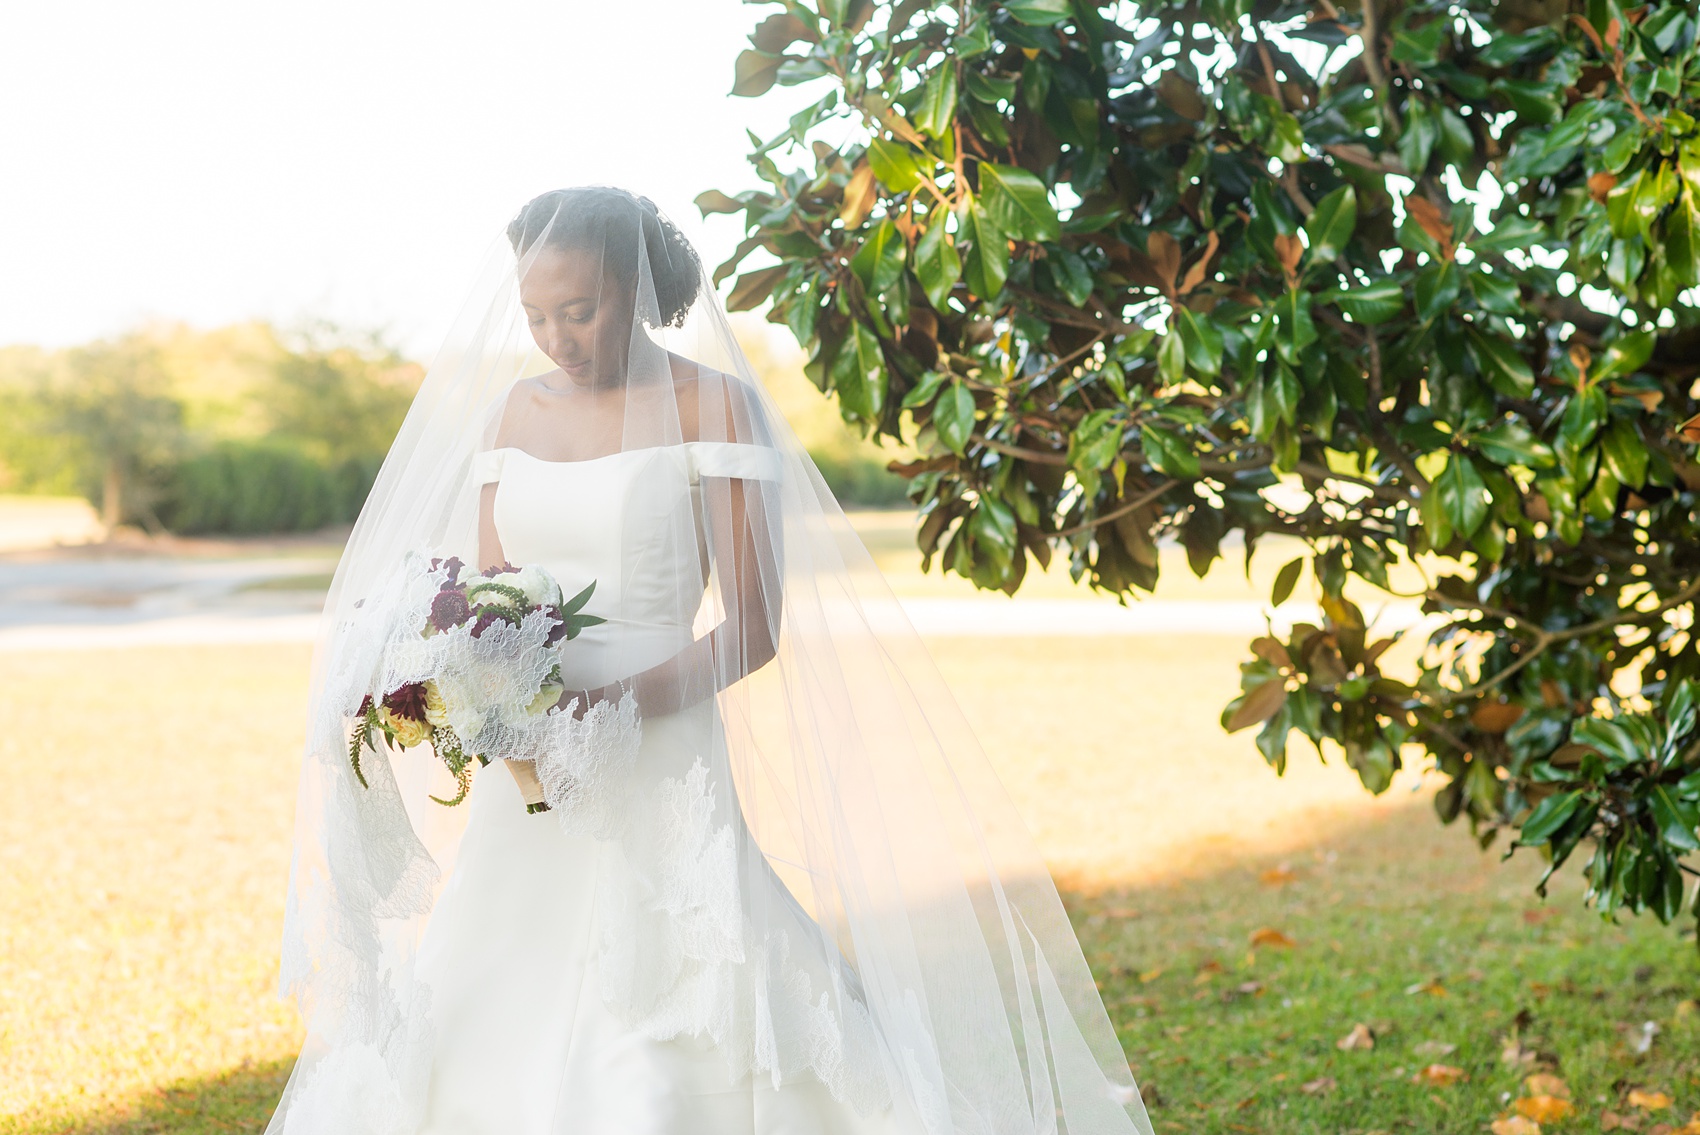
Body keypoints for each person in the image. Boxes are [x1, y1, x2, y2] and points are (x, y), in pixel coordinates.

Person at [267, 187, 1153, 1135]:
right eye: (535, 316)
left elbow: (754, 625)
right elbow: (484, 597)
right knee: (498, 961)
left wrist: (610, 706)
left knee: (677, 978)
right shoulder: (509, 418)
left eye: (581, 309)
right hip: (525, 757)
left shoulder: (714, 406)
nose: (558, 337)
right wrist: (464, 682)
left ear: (637, 288)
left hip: (660, 744)